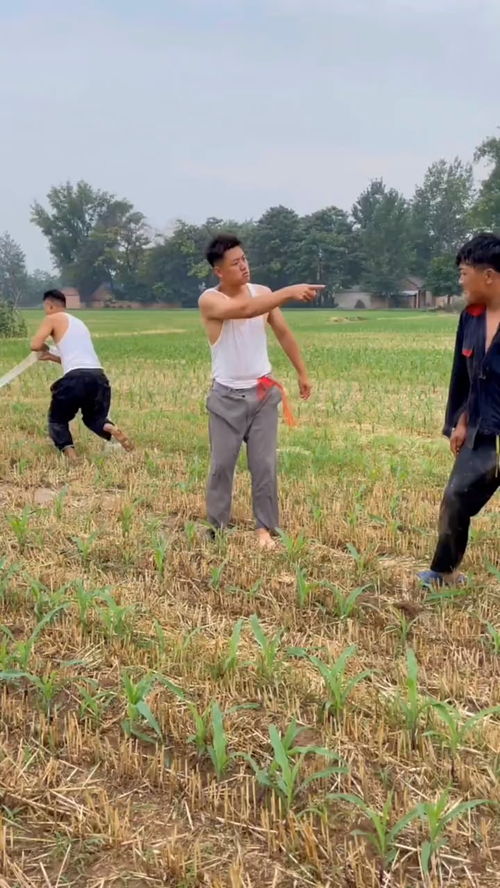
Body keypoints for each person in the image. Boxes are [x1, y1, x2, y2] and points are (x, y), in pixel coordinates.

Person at [198, 233, 323, 549]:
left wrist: (302, 373)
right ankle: (217, 529)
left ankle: (265, 529)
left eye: (244, 259)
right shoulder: (210, 300)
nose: (243, 267)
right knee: (221, 466)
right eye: (235, 263)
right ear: (218, 271)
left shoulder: (263, 293)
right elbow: (246, 310)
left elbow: (282, 332)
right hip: (226, 398)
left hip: (263, 394)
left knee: (264, 465)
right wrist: (288, 292)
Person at [418, 233, 500, 587]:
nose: (459, 281)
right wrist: (459, 422)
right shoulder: (471, 317)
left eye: (464, 272)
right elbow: (464, 378)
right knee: (455, 498)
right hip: (482, 429)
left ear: (489, 276)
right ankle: (444, 571)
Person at [31, 289, 133, 461]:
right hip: (99, 378)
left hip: (75, 380)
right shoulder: (79, 324)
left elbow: (35, 345)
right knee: (94, 418)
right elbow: (76, 360)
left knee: (57, 420)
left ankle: (72, 456)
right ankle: (110, 428)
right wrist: (50, 357)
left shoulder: (52, 318)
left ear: (49, 305)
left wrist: (44, 350)